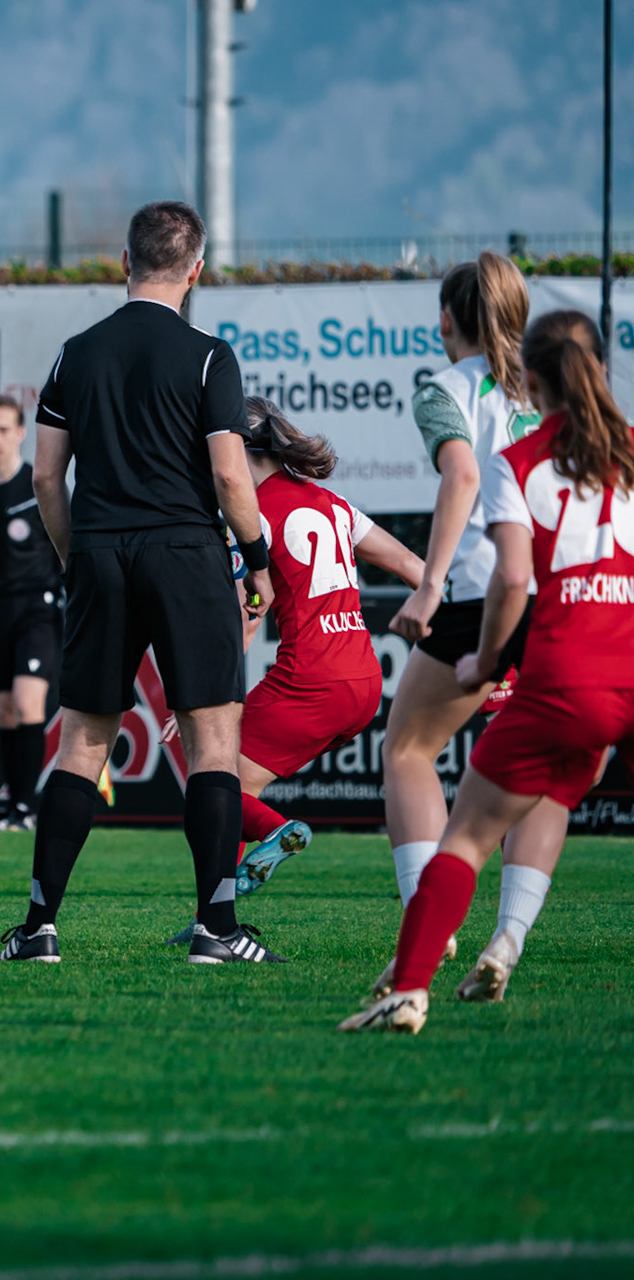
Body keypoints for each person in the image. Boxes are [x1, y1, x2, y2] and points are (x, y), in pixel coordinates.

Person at [0, 199, 281, 966]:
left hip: (101, 555)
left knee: (83, 742)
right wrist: (258, 560)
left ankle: (39, 928)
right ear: (196, 270)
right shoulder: (211, 356)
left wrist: (73, 556)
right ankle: (216, 931)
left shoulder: (74, 353)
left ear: (124, 263)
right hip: (188, 556)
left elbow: (46, 476)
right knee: (212, 742)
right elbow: (229, 472)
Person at [343, 310, 634, 1033]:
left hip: (561, 674)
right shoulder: (630, 454)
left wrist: (483, 660)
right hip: (624, 679)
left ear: (531, 382)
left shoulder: (522, 461)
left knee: (468, 834)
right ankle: (508, 938)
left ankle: (408, 988)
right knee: (555, 790)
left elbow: (509, 582)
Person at [163, 398, 425, 943]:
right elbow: (411, 567)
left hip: (311, 678)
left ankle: (273, 840)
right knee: (233, 783)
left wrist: (205, 693)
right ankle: (210, 919)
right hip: (365, 680)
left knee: (210, 784)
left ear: (238, 448)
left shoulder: (250, 514)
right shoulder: (332, 502)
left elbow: (246, 612)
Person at [375, 252, 568, 991]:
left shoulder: (446, 388)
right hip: (564, 596)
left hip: (487, 589)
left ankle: (432, 923)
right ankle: (507, 939)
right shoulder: (557, 388)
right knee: (543, 775)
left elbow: (460, 475)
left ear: (446, 320)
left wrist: (428, 585)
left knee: (409, 750)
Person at [0, 392, 61, 830]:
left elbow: (64, 541)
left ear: (21, 433)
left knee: (27, 699)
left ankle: (27, 805)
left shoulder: (39, 483)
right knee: (3, 709)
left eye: (4, 429)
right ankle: (12, 802)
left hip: (38, 605)